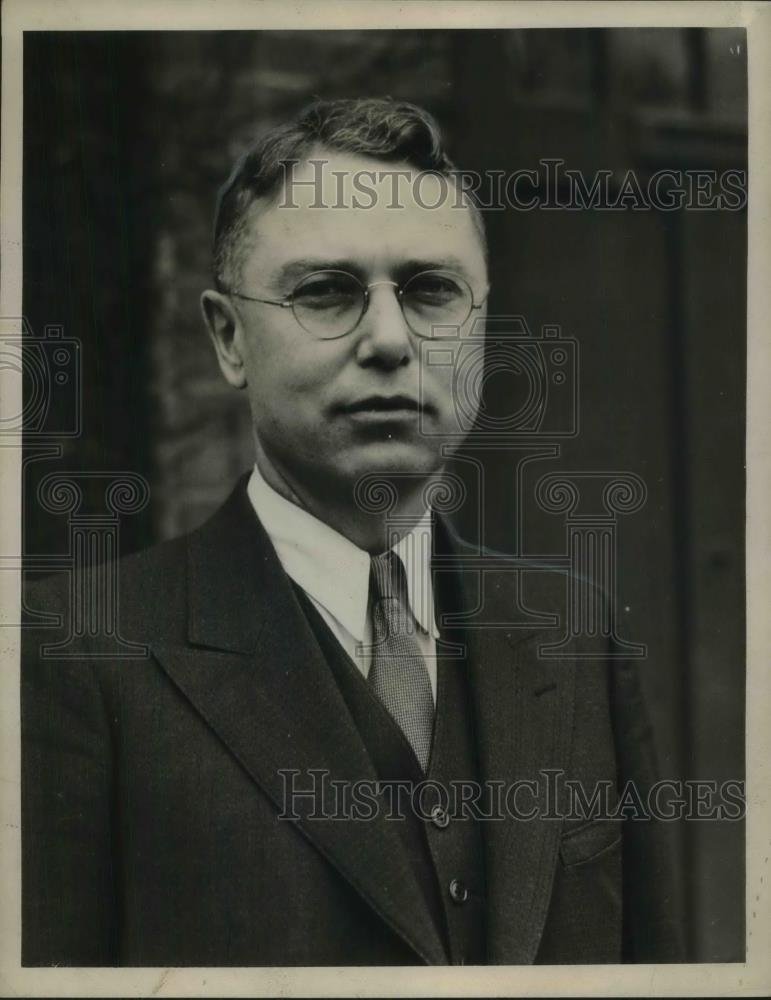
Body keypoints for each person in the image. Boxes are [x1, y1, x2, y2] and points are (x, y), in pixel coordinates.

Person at [21, 97, 683, 966]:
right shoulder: (70, 655)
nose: (388, 340)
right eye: (326, 292)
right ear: (228, 338)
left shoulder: (574, 633)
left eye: (431, 290)